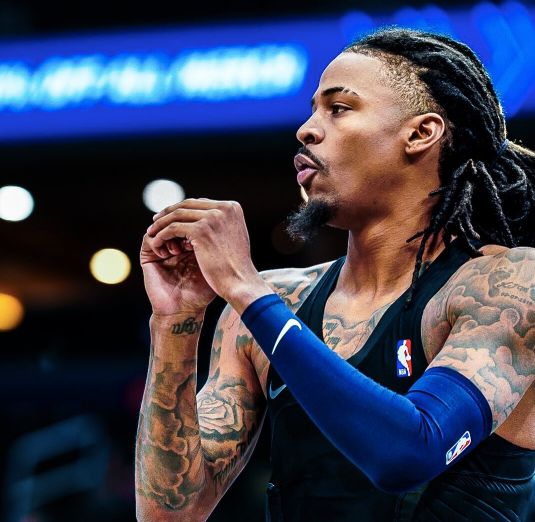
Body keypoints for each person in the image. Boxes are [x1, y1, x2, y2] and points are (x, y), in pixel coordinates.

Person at [135, 28, 535, 522]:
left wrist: (245, 288)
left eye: (338, 108)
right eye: (311, 111)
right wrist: (175, 322)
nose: (306, 130)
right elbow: (169, 512)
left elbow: (410, 455)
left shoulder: (506, 284)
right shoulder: (274, 303)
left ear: (420, 133)